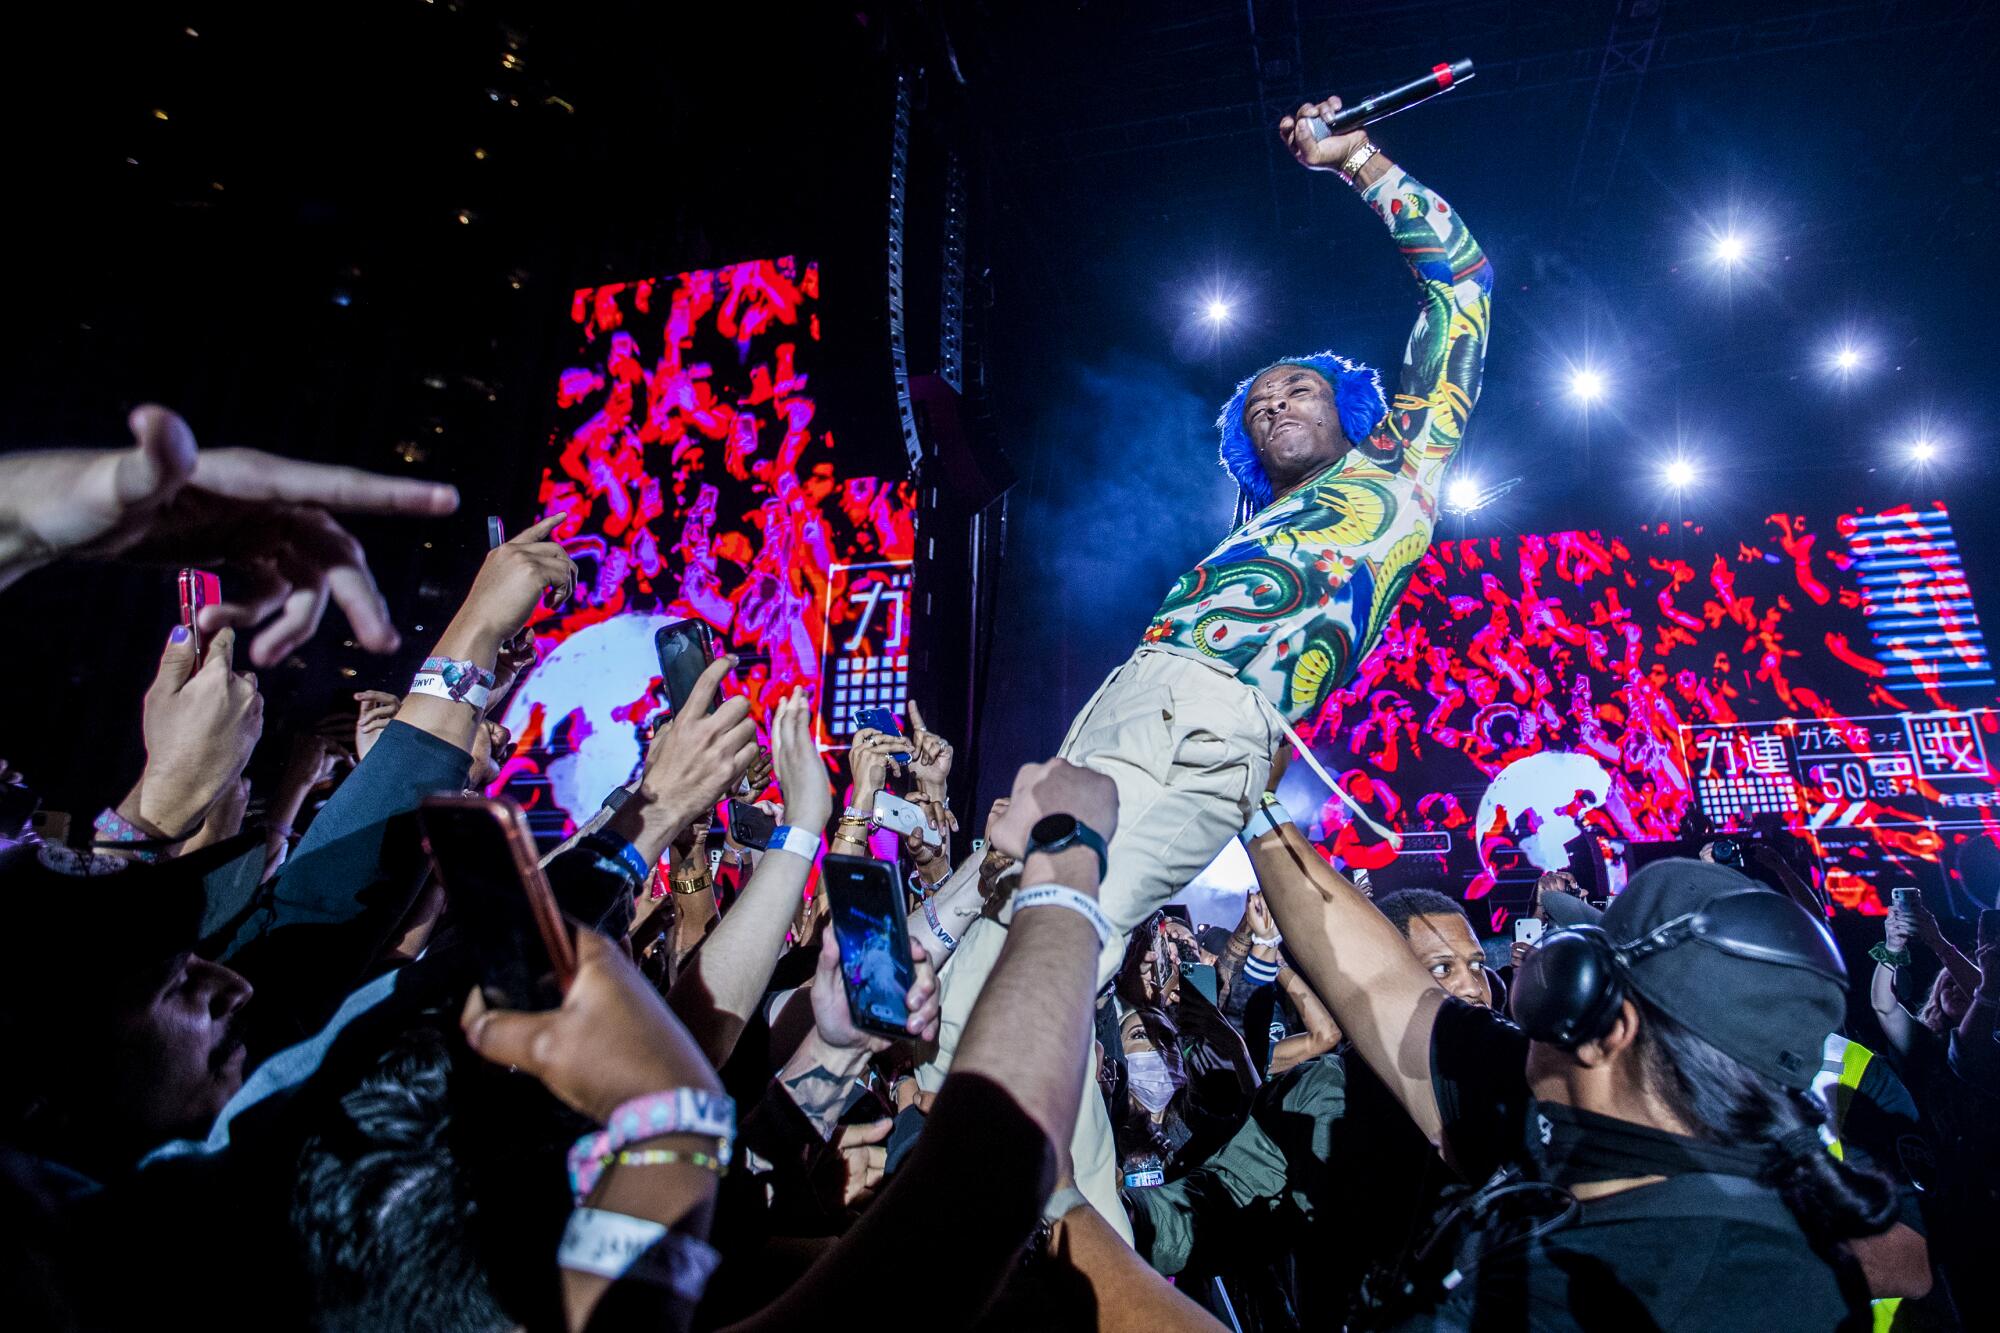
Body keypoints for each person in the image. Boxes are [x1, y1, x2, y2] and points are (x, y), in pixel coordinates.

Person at [921, 97, 1495, 1225]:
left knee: (1023, 984)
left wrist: (1359, 161)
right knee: (950, 993)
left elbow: (1464, 287)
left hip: (1207, 726)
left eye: (1300, 382)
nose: (1275, 393)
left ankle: (1077, 1262)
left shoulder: (1396, 477)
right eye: (1256, 395)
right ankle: (1060, 1250)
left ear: (1358, 407)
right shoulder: (1243, 537)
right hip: (1119, 715)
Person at [1248, 783, 1896, 1330]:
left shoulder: (1655, 1285)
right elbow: (1385, 985)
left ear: (1603, 1026)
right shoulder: (1596, 1113)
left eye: (1568, 964)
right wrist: (1256, 801)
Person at [1131, 888, 1492, 1329]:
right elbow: (1205, 1212)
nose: (1472, 987)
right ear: (1381, 981)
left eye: (1477, 966)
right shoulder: (1328, 1094)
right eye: (1442, 968)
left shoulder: (1522, 1081)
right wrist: (1092, 1217)